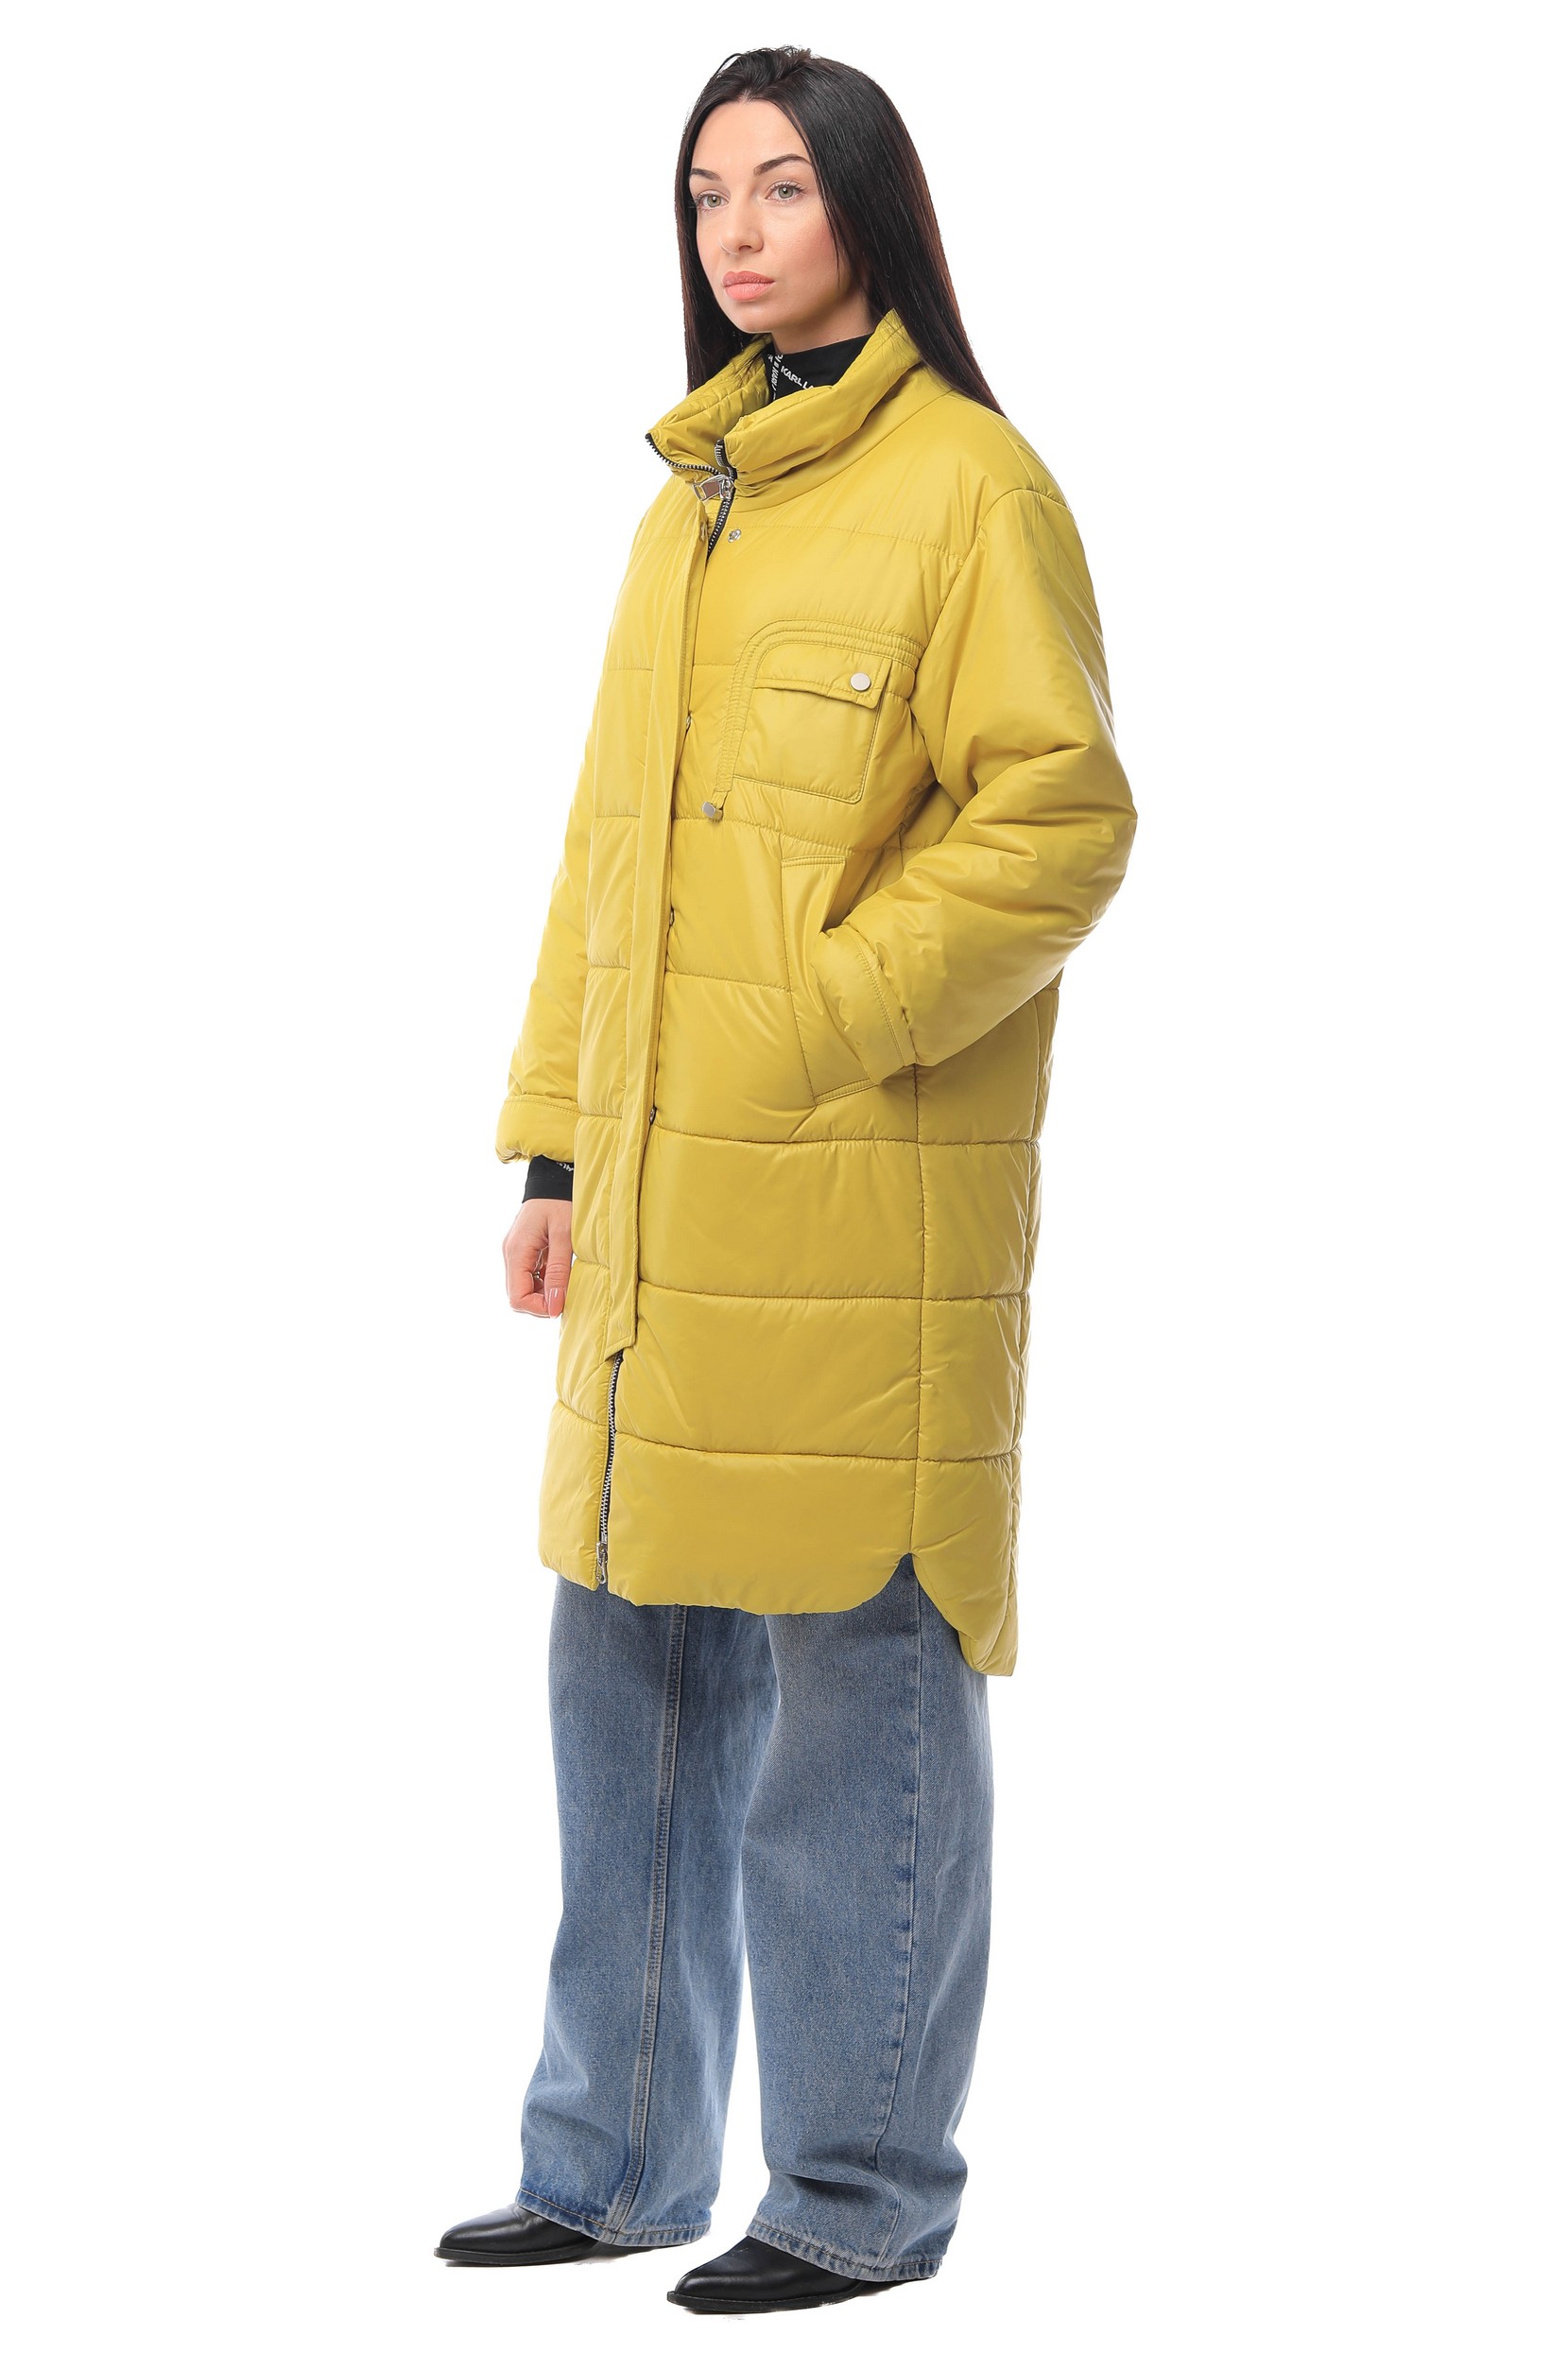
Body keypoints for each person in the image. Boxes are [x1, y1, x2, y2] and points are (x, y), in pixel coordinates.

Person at [436, 44, 1137, 2318]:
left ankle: (852, 2193)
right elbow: (603, 859)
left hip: (854, 1209)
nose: (735, 233)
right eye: (703, 195)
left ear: (866, 207)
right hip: (656, 1211)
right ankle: (611, 2161)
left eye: (778, 189)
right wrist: (555, 1143)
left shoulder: (971, 491)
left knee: (853, 1691)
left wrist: (821, 1018)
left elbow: (1059, 817)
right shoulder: (689, 506)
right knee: (621, 1668)